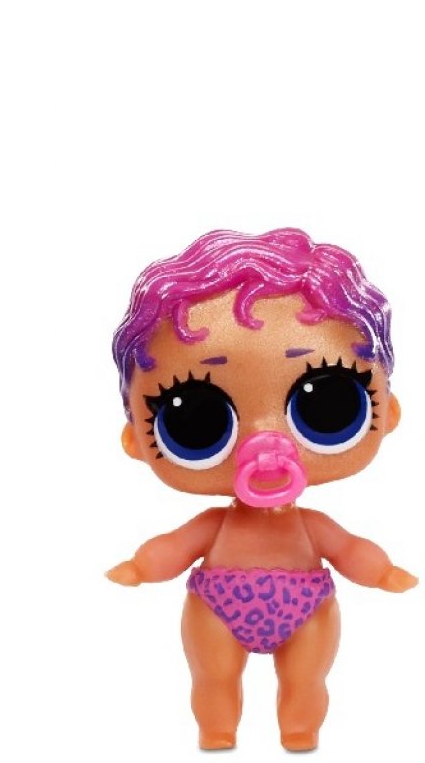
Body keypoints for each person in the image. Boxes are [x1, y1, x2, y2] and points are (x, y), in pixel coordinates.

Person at [108, 228, 415, 751]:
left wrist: (381, 571)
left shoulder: (310, 527)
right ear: (135, 438)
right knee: (212, 677)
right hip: (216, 604)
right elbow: (176, 547)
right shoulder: (216, 526)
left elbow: (346, 549)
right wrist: (142, 566)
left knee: (307, 679)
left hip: (308, 604)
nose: (264, 443)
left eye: (328, 405)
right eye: (194, 417)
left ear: (389, 414)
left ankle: (300, 729)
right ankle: (216, 729)